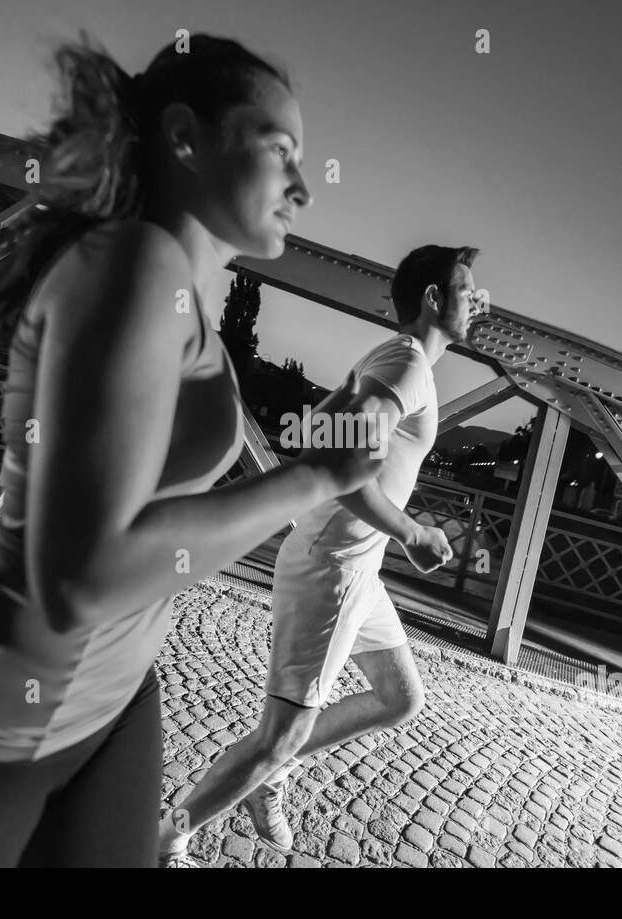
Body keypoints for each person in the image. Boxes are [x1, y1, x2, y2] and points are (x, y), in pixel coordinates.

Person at [0, 32, 384, 868]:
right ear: (185, 137)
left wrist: (318, 460)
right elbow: (79, 580)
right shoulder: (133, 263)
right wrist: (313, 478)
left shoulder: (187, 288)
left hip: (110, 706)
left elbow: (160, 509)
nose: (305, 187)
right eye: (278, 149)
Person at [158, 244, 481, 866]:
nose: (479, 306)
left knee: (399, 697)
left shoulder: (393, 360)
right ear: (434, 299)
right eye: (467, 293)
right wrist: (413, 533)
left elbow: (311, 437)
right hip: (334, 571)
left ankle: (272, 778)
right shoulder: (408, 364)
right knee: (279, 737)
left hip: (353, 565)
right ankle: (168, 836)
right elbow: (337, 461)